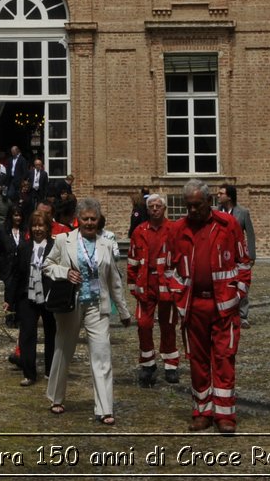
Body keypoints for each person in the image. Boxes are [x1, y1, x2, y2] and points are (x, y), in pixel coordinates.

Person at [163, 178, 251, 434]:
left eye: (197, 206)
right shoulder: (178, 229)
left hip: (224, 306)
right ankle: (202, 412)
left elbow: (243, 264)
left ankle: (225, 415)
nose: (192, 211)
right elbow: (169, 269)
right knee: (198, 361)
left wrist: (238, 294)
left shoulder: (228, 225)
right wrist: (180, 296)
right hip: (193, 307)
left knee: (224, 359)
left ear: (209, 202)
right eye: (188, 206)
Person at [45, 197, 132, 424]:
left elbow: (114, 280)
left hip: (97, 305)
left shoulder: (107, 241)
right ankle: (56, 397)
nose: (90, 223)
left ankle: (105, 408)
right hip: (71, 304)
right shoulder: (64, 240)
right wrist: (64, 273)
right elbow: (47, 266)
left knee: (102, 355)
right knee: (63, 350)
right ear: (78, 219)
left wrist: (123, 311)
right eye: (85, 219)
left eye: (94, 218)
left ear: (99, 219)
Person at [128, 193, 180, 386]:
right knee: (143, 324)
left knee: (168, 324)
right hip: (145, 283)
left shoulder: (174, 229)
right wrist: (133, 286)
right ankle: (148, 363)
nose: (155, 209)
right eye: (152, 206)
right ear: (147, 209)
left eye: (159, 206)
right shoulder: (139, 231)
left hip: (167, 284)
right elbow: (132, 261)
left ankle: (171, 364)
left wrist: (177, 284)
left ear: (164, 209)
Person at [12, 209, 58, 385]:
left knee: (51, 334)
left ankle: (50, 371)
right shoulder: (24, 247)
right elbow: (16, 274)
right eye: (35, 225)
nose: (38, 228)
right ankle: (29, 373)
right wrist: (10, 299)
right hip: (28, 296)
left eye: (41, 225)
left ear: (48, 227)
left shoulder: (55, 246)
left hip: (49, 296)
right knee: (27, 335)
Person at [216, 183, 258, 326]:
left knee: (242, 284)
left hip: (239, 255)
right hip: (222, 256)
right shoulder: (216, 212)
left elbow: (250, 234)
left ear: (229, 196)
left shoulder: (243, 212)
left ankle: (242, 315)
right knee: (224, 285)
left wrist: (251, 255)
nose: (218, 195)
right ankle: (224, 312)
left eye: (221, 193)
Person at [0, 204, 26, 321]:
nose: (18, 218)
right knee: (10, 290)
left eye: (20, 215)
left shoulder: (25, 230)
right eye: (16, 215)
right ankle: (10, 318)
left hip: (21, 266)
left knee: (20, 292)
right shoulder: (2, 229)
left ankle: (19, 317)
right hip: (7, 266)